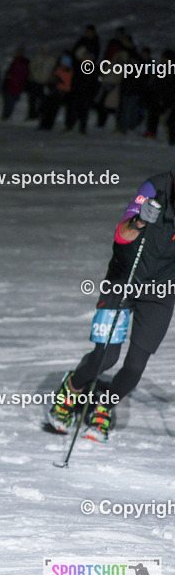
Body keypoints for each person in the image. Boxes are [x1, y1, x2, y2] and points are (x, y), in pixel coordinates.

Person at [47, 172, 173, 443]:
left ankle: (104, 406)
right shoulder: (155, 188)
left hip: (161, 290)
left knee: (135, 367)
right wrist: (139, 221)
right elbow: (122, 236)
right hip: (124, 278)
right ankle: (71, 389)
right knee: (106, 357)